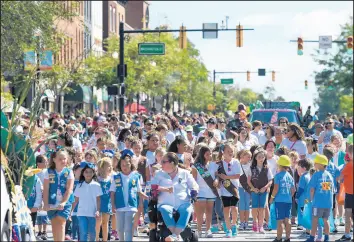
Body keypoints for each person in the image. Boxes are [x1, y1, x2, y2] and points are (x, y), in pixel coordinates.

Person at [151, 152, 199, 242]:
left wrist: (194, 191)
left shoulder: (185, 173)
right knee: (165, 209)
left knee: (187, 209)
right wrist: (164, 189)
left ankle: (174, 236)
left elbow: (194, 185)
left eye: (164, 162)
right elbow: (153, 187)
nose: (161, 164)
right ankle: (177, 236)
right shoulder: (159, 174)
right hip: (165, 202)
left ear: (172, 163)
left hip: (183, 202)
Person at [110, 154, 148, 242]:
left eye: (127, 164)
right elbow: (112, 192)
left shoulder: (136, 176)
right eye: (123, 165)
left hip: (131, 206)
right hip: (119, 206)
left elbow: (139, 191)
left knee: (128, 228)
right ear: (120, 165)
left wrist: (145, 197)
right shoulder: (116, 177)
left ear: (131, 164)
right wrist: (112, 205)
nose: (125, 167)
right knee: (120, 228)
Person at [43, 150, 74, 242]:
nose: (63, 161)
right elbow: (46, 189)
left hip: (65, 202)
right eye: (60, 159)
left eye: (64, 159)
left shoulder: (69, 172)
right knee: (54, 223)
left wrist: (64, 202)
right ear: (54, 160)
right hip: (52, 201)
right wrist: (46, 203)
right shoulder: (48, 172)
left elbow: (69, 189)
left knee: (61, 222)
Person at [305, 154, 335, 242]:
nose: (314, 164)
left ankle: (312, 237)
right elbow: (331, 189)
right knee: (326, 220)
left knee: (315, 219)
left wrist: (310, 199)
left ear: (321, 164)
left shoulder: (316, 175)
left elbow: (312, 189)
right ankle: (327, 237)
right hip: (328, 203)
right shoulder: (329, 175)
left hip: (317, 203)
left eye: (316, 163)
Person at [191, 145, 219, 238]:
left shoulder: (214, 165)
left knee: (209, 212)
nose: (209, 155)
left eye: (210, 153)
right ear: (202, 154)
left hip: (211, 190)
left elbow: (217, 176)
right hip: (200, 190)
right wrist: (194, 191)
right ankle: (199, 230)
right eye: (207, 154)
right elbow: (194, 179)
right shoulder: (196, 166)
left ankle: (208, 230)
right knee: (200, 212)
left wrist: (216, 180)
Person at [215, 143, 241, 238]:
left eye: (231, 151)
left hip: (233, 188)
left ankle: (234, 225)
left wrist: (226, 177)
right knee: (226, 209)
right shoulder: (219, 164)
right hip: (224, 189)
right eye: (228, 151)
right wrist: (218, 180)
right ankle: (228, 229)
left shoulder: (236, 162)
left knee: (234, 209)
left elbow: (238, 175)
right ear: (223, 153)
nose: (230, 153)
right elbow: (217, 174)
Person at [72, 162, 102, 242]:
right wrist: (70, 211)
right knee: (83, 232)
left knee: (92, 233)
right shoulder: (79, 185)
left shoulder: (97, 185)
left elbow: (98, 199)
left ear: (93, 173)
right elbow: (76, 200)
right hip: (81, 213)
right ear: (83, 173)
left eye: (90, 172)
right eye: (86, 172)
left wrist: (98, 210)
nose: (88, 174)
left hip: (92, 214)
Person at [269, 155, 296, 242]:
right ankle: (288, 238)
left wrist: (272, 198)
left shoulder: (277, 176)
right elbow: (293, 190)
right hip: (288, 201)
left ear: (279, 165)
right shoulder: (290, 176)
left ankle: (279, 238)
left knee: (279, 220)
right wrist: (289, 197)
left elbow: (276, 188)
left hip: (279, 201)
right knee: (287, 219)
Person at [247, 148, 273, 234]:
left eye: (263, 157)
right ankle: (255, 222)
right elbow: (248, 181)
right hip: (254, 190)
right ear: (255, 158)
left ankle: (261, 226)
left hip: (264, 191)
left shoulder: (267, 168)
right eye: (259, 157)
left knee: (262, 208)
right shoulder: (251, 168)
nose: (261, 159)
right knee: (254, 207)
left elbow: (270, 180)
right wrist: (253, 188)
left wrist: (265, 188)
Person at [336, 144, 353, 242]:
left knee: (348, 213)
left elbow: (340, 178)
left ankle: (347, 235)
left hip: (350, 193)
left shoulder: (349, 165)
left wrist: (339, 179)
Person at [96, 158, 114, 242]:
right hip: (97, 203)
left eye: (111, 166)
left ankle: (105, 239)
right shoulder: (96, 179)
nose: (110, 168)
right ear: (102, 167)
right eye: (108, 166)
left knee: (105, 223)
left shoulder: (111, 179)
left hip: (107, 203)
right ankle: (96, 238)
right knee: (98, 222)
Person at [296, 158, 313, 239]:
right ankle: (308, 231)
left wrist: (296, 196)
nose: (297, 168)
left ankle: (307, 232)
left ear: (304, 168)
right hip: (309, 199)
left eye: (299, 166)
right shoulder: (310, 175)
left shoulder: (303, 177)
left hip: (303, 199)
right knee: (308, 214)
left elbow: (301, 189)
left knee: (304, 214)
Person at [35, 155, 50, 241]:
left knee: (45, 214)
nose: (46, 163)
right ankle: (39, 231)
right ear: (38, 163)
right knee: (38, 214)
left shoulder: (47, 171)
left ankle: (45, 231)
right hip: (37, 195)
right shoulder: (35, 172)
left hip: (45, 194)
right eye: (44, 161)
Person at [237, 149, 252, 231]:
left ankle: (246, 222)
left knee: (247, 205)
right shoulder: (238, 165)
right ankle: (242, 222)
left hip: (248, 188)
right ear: (242, 157)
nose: (250, 158)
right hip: (240, 187)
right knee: (242, 205)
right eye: (248, 156)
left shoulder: (251, 165)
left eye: (250, 157)